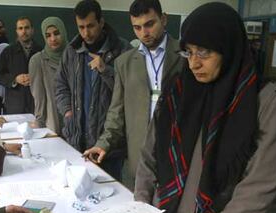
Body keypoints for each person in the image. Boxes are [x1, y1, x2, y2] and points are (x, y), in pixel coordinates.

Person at [134, 3, 276, 213]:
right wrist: (139, 206)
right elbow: (150, 153)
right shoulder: (178, 89)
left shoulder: (265, 102)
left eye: (204, 53)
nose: (194, 63)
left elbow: (260, 183)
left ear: (228, 48)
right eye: (189, 52)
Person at [83, 0, 183, 189]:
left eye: (149, 24)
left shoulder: (185, 56)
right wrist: (103, 144)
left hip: (177, 152)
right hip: (141, 155)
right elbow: (116, 112)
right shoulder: (125, 63)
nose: (144, 33)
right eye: (137, 27)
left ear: (164, 19)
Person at [56, 0, 131, 181]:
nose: (86, 33)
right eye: (81, 27)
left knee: (111, 197)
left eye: (90, 26)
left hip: (109, 146)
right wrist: (67, 111)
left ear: (101, 22)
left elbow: (129, 93)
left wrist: (106, 70)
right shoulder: (71, 51)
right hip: (77, 139)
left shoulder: (123, 50)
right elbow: (60, 84)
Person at [29, 17, 68, 135]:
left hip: (75, 121)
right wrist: (39, 122)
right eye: (48, 35)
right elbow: (38, 96)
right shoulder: (37, 60)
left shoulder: (74, 56)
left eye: (56, 33)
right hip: (53, 121)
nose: (53, 39)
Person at [0, 17, 42, 114]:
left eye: (27, 28)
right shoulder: (8, 51)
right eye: (20, 28)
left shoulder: (41, 51)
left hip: (36, 103)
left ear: (32, 30)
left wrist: (35, 78)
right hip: (14, 105)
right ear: (17, 31)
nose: (24, 31)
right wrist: (15, 79)